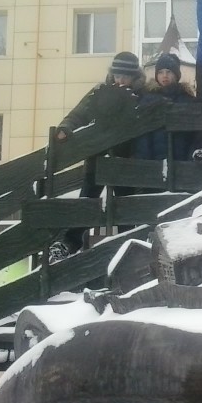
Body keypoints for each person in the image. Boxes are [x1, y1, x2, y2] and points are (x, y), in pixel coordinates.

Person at [47, 51, 158, 262]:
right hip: (98, 156)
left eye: (125, 76)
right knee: (88, 200)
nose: (120, 80)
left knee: (125, 206)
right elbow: (79, 113)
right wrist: (65, 128)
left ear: (135, 77)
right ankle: (69, 243)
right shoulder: (100, 92)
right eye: (117, 75)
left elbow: (152, 113)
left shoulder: (142, 95)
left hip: (126, 160)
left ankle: (129, 248)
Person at [133, 52, 196, 162]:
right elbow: (143, 135)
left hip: (181, 158)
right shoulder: (148, 99)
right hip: (154, 160)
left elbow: (192, 135)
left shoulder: (187, 99)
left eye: (169, 72)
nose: (164, 76)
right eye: (160, 72)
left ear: (176, 75)